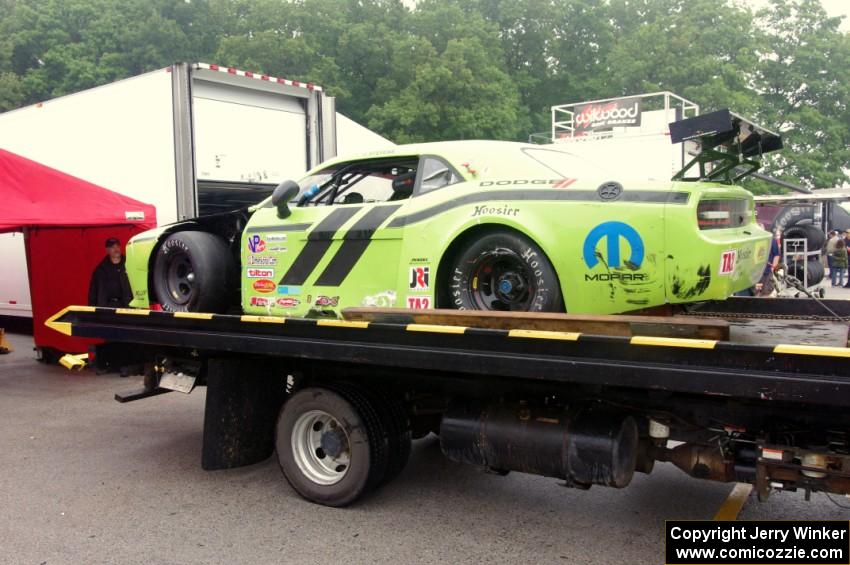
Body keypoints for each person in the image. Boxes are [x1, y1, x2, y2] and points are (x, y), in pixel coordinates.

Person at [88, 237, 133, 307]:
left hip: (127, 306)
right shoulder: (100, 270)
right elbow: (93, 292)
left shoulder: (130, 265)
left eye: (117, 246)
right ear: (107, 250)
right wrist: (91, 311)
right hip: (107, 307)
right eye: (112, 247)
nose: (116, 249)